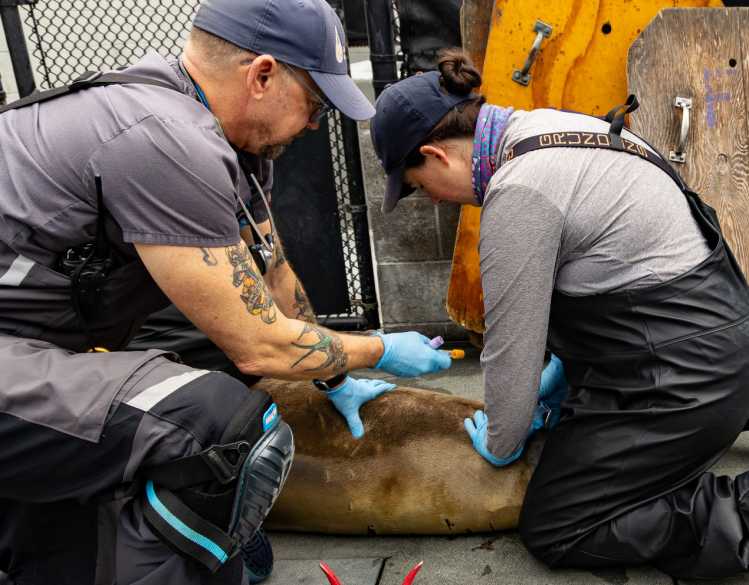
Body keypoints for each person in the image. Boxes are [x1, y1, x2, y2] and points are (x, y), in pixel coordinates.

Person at [0, 0, 452, 582]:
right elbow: (259, 345)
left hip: (29, 350)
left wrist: (334, 376)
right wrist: (382, 350)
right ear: (262, 75)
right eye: (315, 103)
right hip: (17, 355)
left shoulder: (226, 141)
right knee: (218, 424)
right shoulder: (163, 136)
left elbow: (273, 276)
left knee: (64, 550)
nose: (316, 124)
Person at [371, 48, 749, 579]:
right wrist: (565, 373)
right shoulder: (553, 127)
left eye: (417, 187)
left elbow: (510, 349)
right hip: (716, 340)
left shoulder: (519, 191)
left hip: (687, 382)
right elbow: (618, 270)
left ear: (436, 155)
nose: (433, 201)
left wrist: (502, 441)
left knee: (557, 525)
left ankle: (740, 514)